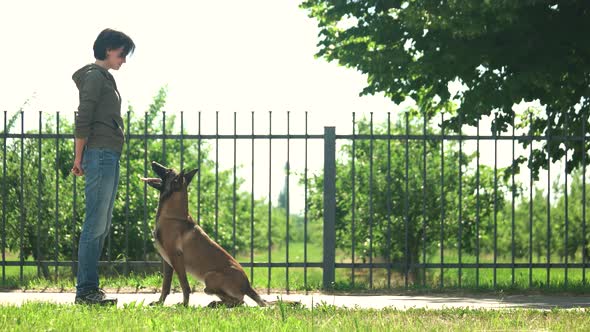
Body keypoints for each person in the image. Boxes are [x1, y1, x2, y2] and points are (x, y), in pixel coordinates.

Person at [71, 28, 135, 305]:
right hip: (98, 155)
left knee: (101, 224)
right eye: (122, 54)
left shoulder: (103, 78)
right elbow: (83, 117)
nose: (123, 60)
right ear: (109, 49)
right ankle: (85, 292)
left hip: (107, 155)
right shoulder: (94, 77)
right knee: (94, 223)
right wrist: (79, 157)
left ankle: (90, 290)